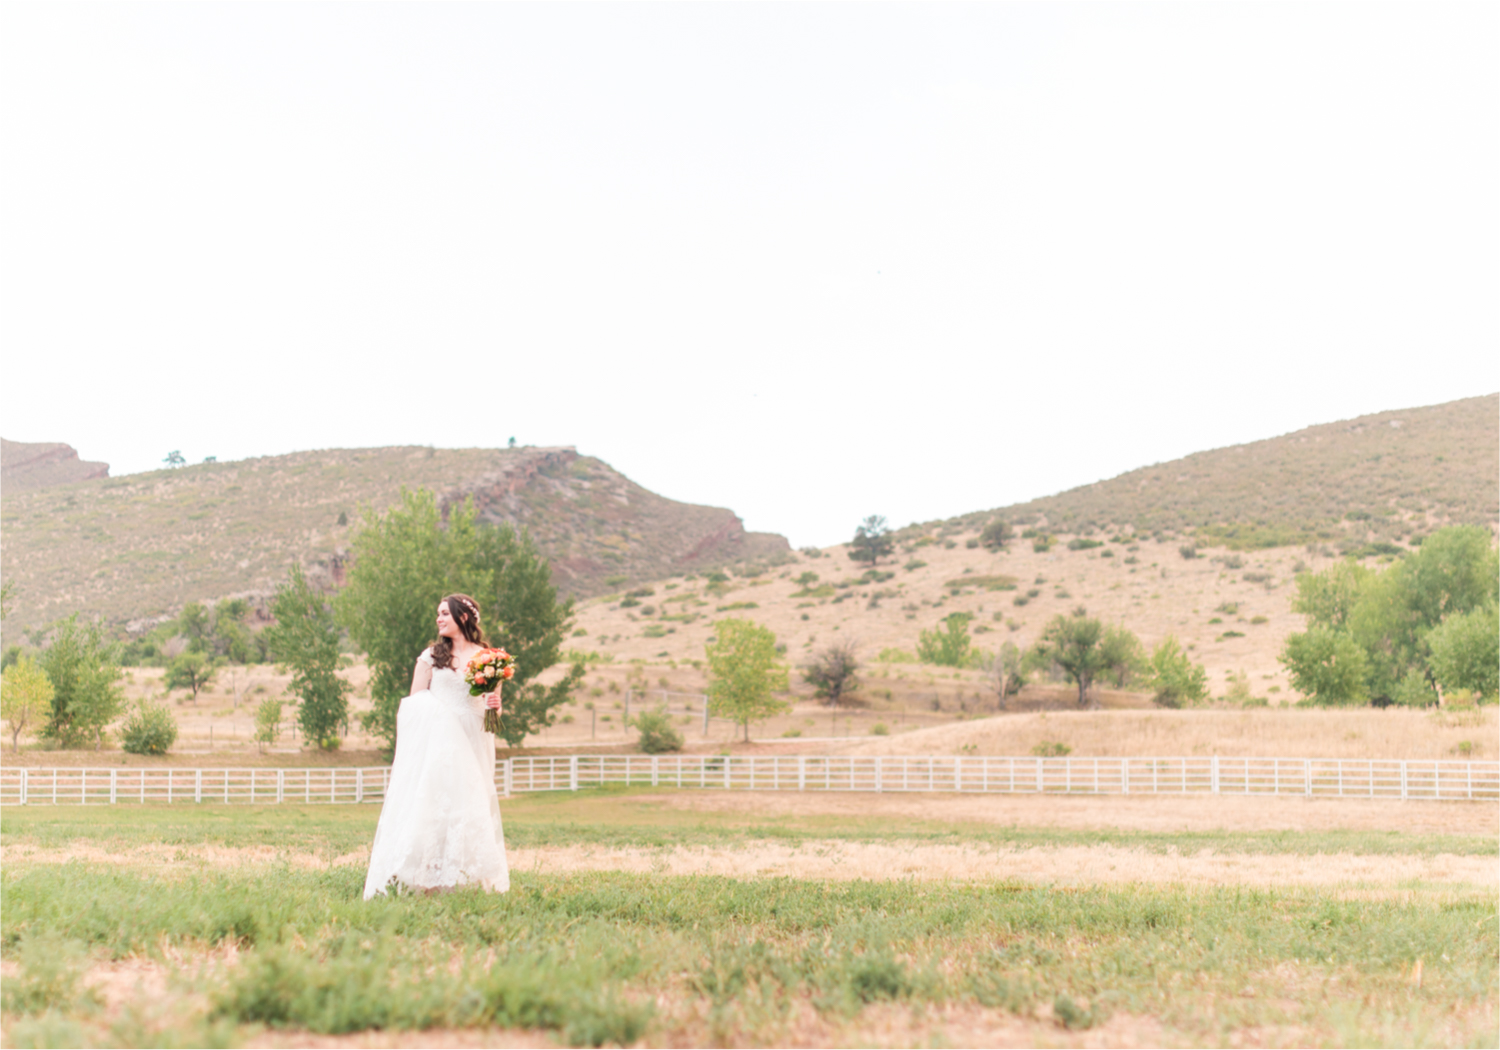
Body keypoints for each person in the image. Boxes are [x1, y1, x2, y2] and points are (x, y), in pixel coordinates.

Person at [363, 594, 510, 898]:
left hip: (475, 737)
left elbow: (493, 707)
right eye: (438, 614)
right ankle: (426, 881)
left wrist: (495, 705)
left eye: (445, 613)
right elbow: (413, 706)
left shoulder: (489, 658)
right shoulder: (431, 657)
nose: (439, 619)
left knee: (468, 807)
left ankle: (460, 878)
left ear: (464, 618)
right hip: (438, 745)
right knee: (435, 807)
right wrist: (441, 723)